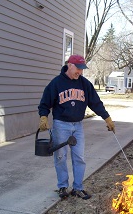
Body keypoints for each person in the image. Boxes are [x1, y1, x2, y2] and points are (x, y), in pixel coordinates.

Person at [38, 54, 115, 200]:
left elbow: (95, 102)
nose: (80, 72)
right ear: (70, 65)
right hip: (61, 125)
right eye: (78, 68)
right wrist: (43, 116)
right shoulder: (56, 83)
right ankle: (62, 186)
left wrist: (107, 118)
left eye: (82, 69)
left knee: (79, 157)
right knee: (60, 157)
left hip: (78, 126)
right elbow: (45, 103)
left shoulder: (85, 84)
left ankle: (78, 188)